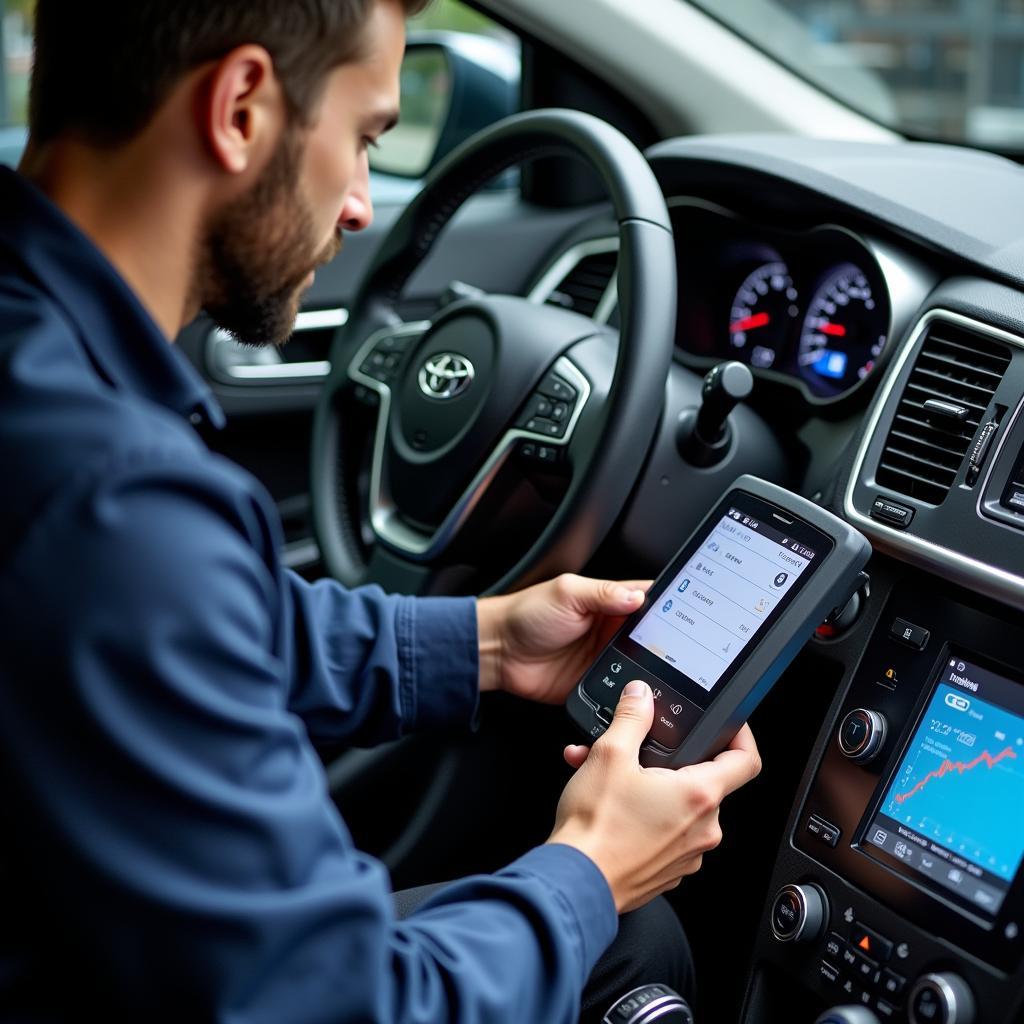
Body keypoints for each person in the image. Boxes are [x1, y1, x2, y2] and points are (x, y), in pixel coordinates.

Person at [0, 1, 762, 1020]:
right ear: (239, 109)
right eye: (363, 137)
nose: (361, 204)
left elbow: (190, 625)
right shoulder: (115, 502)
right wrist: (593, 864)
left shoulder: (47, 384)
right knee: (627, 943)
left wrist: (489, 642)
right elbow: (340, 1003)